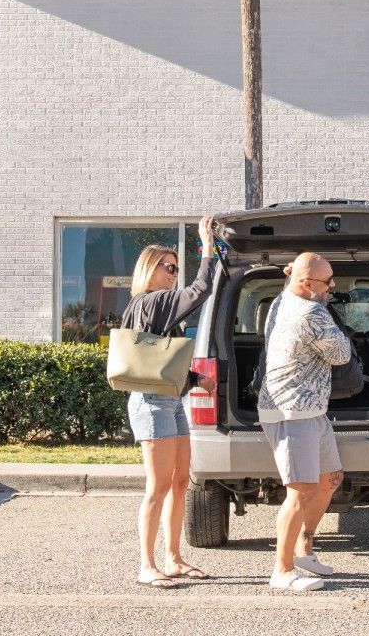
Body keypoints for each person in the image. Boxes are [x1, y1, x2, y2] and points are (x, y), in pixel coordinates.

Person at [120, 215, 217, 589]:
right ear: (150, 269)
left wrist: (196, 380)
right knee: (158, 486)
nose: (175, 274)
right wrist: (207, 249)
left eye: (177, 268)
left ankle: (173, 559)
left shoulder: (152, 307)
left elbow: (159, 362)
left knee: (180, 483)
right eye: (170, 267)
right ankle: (147, 564)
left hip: (169, 400)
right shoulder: (152, 301)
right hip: (151, 403)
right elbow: (200, 291)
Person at [257, 252, 351, 593]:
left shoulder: (281, 301)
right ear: (306, 284)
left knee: (329, 479)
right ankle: (282, 570)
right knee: (300, 490)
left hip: (311, 409)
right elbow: (342, 354)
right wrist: (339, 334)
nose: (333, 286)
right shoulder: (312, 312)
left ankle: (304, 550)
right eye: (328, 282)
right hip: (291, 410)